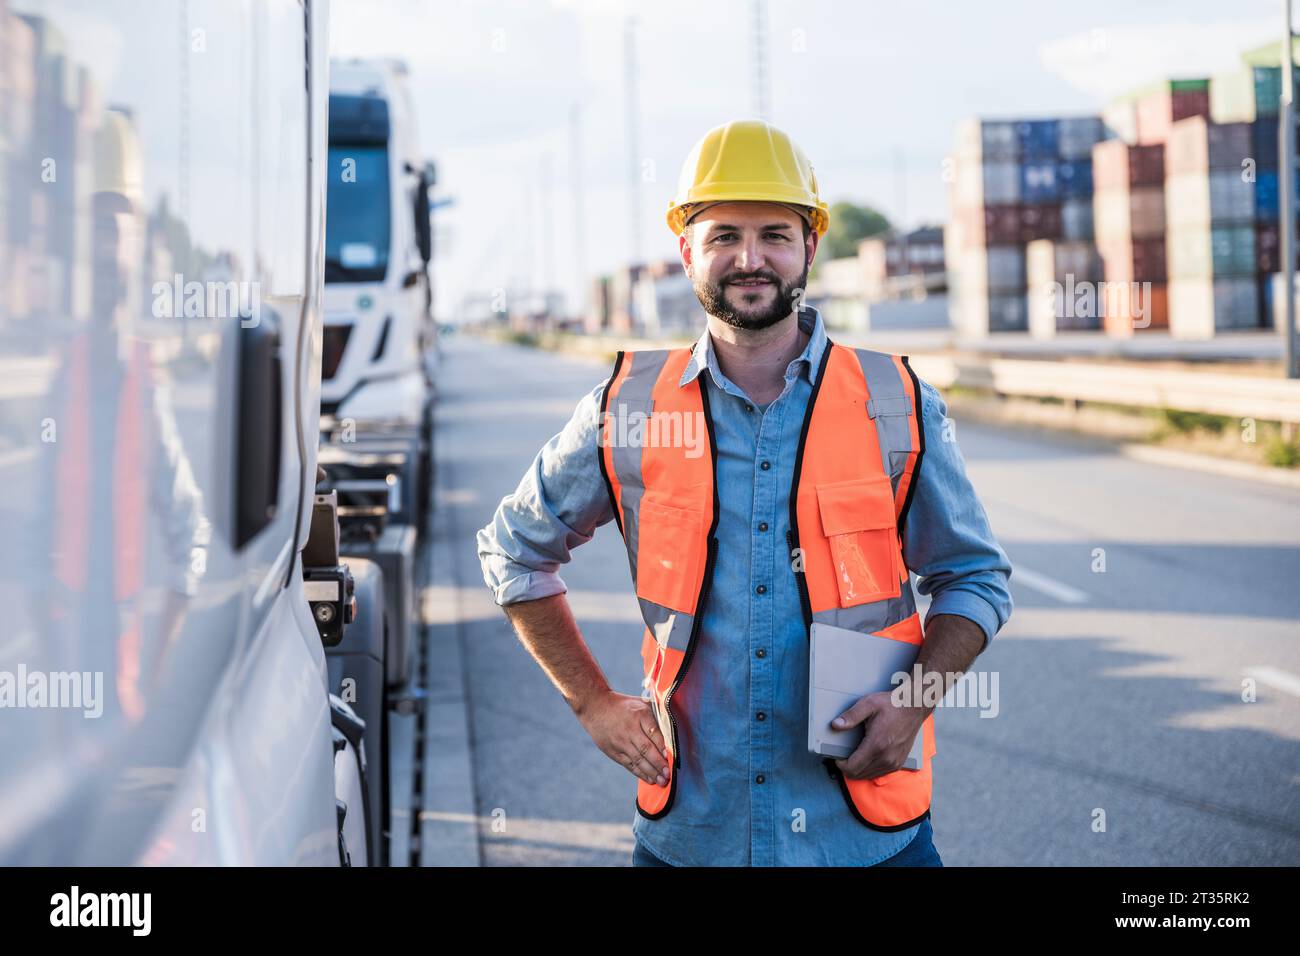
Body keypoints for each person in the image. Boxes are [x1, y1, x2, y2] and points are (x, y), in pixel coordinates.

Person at [477, 119, 1013, 866]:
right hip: (693, 836)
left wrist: (914, 700)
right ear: (686, 250)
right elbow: (514, 552)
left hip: (864, 840)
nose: (750, 258)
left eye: (775, 235)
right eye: (723, 233)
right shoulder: (630, 407)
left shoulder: (895, 400)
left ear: (811, 249)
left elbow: (974, 576)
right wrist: (593, 704)